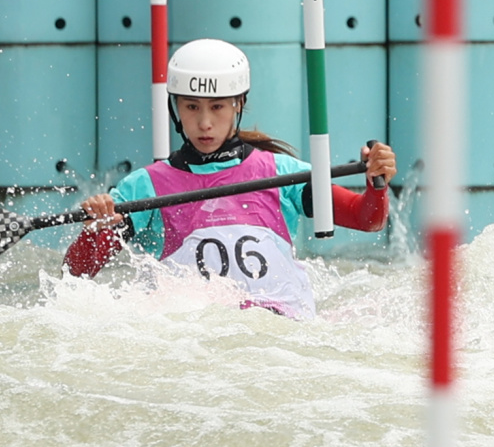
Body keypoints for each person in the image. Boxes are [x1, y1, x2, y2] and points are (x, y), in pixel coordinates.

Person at [62, 38, 397, 319]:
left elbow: (367, 219)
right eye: (192, 107)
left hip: (283, 337)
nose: (205, 123)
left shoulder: (282, 172)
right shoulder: (144, 186)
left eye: (218, 107)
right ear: (175, 109)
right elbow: (76, 273)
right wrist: (99, 230)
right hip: (194, 339)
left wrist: (375, 184)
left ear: (238, 104)